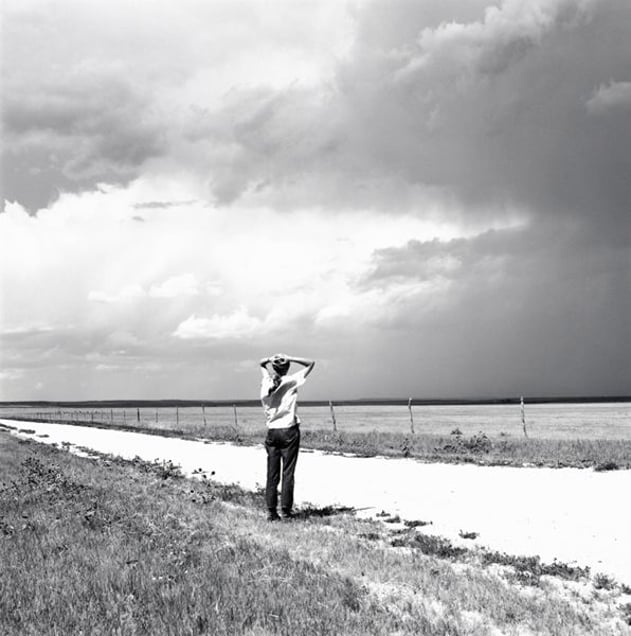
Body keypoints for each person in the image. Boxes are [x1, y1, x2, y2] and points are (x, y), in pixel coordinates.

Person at [259, 353, 315, 521]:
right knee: (288, 472)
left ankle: (271, 511)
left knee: (272, 473)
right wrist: (289, 357)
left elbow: (261, 364)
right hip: (289, 430)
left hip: (272, 431)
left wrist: (272, 358)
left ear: (274, 368)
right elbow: (310, 362)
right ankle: (286, 510)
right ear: (287, 368)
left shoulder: (266, 382)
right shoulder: (291, 380)